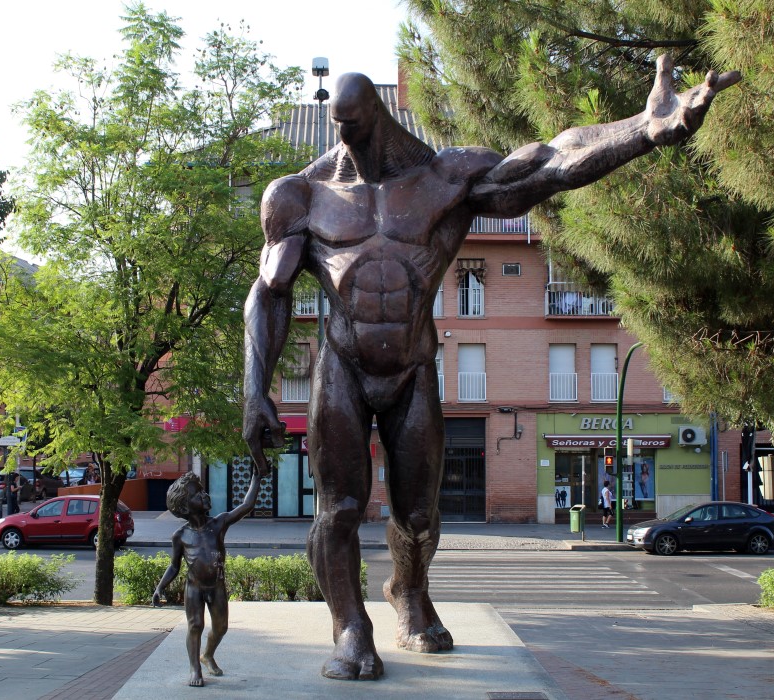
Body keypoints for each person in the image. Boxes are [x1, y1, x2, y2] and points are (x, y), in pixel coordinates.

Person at [242, 55, 739, 681]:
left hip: (413, 366)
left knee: (418, 516)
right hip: (341, 364)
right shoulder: (299, 197)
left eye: (358, 125)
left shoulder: (448, 178)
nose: (348, 141)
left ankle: (409, 591)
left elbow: (550, 162)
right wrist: (253, 388)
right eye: (338, 126)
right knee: (339, 507)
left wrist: (641, 129)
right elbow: (268, 293)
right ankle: (349, 629)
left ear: (380, 118)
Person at [152, 471, 259, 687]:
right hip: (194, 588)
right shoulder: (180, 535)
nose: (204, 495)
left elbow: (246, 506)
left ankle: (207, 654)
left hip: (216, 586)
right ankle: (195, 669)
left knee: (221, 627)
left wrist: (256, 478)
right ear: (184, 508)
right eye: (197, 493)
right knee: (195, 625)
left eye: (202, 490)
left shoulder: (219, 523)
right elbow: (174, 566)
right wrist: (160, 587)